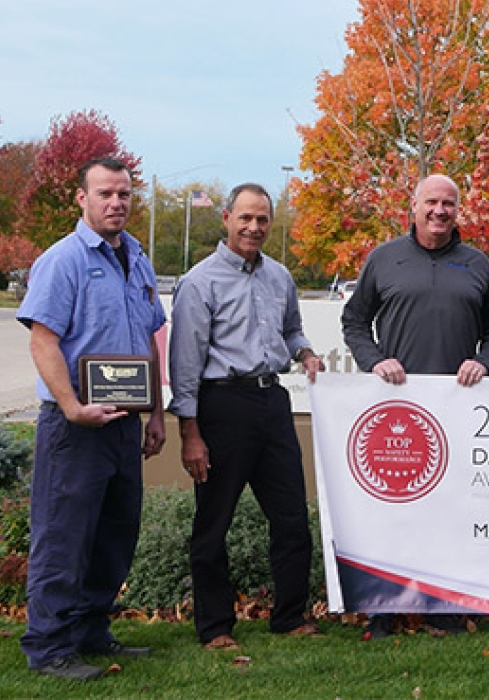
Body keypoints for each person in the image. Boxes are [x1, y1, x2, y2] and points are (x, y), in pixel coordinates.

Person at [342, 173, 489, 639]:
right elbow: (355, 322)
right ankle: (383, 608)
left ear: (459, 211)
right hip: (397, 409)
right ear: (413, 206)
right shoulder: (384, 259)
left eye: (449, 204)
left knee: (451, 506)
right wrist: (374, 360)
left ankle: (445, 607)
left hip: (458, 408)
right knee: (395, 505)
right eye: (432, 202)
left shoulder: (476, 265)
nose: (440, 211)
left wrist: (483, 361)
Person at [17, 157, 167, 681]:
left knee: (114, 534)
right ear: (81, 199)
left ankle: (90, 630)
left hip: (126, 422)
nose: (117, 202)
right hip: (76, 427)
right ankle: (49, 646)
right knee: (64, 536)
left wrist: (155, 414)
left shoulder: (139, 260)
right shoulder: (64, 261)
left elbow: (151, 336)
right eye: (105, 193)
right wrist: (71, 407)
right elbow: (43, 339)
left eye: (124, 193)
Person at [167, 183, 325, 651]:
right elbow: (185, 366)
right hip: (222, 409)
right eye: (245, 219)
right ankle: (215, 626)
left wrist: (306, 352)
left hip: (271, 404)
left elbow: (292, 328)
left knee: (292, 516)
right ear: (226, 218)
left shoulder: (279, 277)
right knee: (214, 522)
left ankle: (290, 615)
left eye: (262, 220)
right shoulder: (201, 282)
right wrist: (190, 434)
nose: (253, 228)